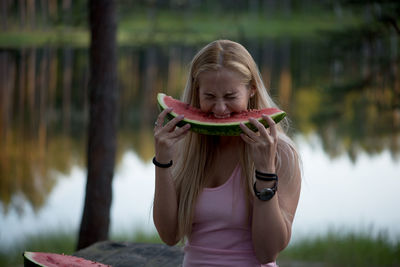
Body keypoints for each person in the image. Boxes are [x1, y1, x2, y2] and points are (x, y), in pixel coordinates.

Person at [152, 40, 301, 267]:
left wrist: (265, 172)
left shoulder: (281, 153)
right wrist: (162, 162)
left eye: (230, 97)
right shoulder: (185, 144)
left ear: (251, 89)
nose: (220, 109)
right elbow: (169, 235)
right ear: (196, 91)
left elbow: (267, 253)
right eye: (209, 97)